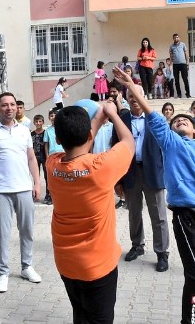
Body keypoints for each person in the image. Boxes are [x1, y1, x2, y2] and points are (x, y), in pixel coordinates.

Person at [111, 65, 195, 323]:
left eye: (186, 121)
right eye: (176, 122)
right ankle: (189, 319)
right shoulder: (170, 142)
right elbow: (151, 113)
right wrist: (130, 86)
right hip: (185, 216)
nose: (180, 121)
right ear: (169, 131)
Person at [46, 102, 134, 323]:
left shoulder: (52, 165)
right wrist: (112, 114)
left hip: (66, 262)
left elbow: (81, 144)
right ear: (88, 135)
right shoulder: (100, 167)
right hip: (97, 266)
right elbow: (128, 142)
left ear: (57, 139)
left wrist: (98, 119)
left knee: (80, 314)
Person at [0, 92, 42, 293]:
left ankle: (27, 266)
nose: (9, 108)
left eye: (12, 104)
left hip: (24, 188)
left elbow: (31, 159)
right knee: (3, 233)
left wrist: (37, 183)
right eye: (4, 105)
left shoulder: (24, 131)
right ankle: (2, 273)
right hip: (0, 190)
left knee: (27, 229)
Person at [112, 87, 170, 272]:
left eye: (137, 95)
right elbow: (115, 147)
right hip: (130, 172)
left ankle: (162, 252)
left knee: (158, 214)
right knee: (134, 212)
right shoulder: (122, 120)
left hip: (153, 171)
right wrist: (117, 179)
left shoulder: (155, 119)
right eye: (130, 96)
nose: (134, 99)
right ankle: (137, 245)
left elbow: (167, 147)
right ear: (127, 99)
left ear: (143, 97)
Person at [31, 115, 48, 203]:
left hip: (44, 157)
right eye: (36, 121)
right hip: (34, 158)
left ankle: (48, 195)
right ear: (34, 122)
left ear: (43, 122)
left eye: (40, 121)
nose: (38, 123)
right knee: (35, 177)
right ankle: (35, 194)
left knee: (46, 176)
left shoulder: (46, 132)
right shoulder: (32, 134)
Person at [169, 33, 191, 99]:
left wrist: (187, 63)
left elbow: (186, 54)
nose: (176, 38)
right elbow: (171, 56)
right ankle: (179, 94)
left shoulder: (183, 44)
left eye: (177, 37)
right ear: (173, 39)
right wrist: (170, 65)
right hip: (175, 65)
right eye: (175, 37)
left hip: (183, 64)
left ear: (179, 38)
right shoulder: (171, 46)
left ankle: (188, 94)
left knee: (185, 79)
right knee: (176, 80)